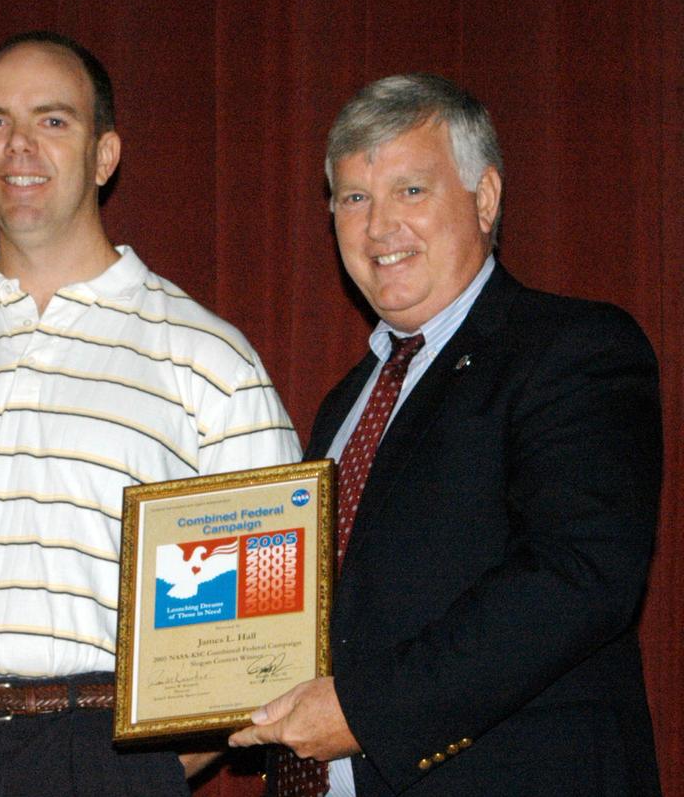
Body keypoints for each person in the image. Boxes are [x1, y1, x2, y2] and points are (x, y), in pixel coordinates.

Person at [0, 31, 301, 795]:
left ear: (105, 155)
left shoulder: (211, 358)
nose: (18, 147)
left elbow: (268, 630)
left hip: (103, 753)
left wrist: (142, 773)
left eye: (53, 120)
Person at [229, 73, 662, 796]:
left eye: (411, 191)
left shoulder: (573, 350)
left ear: (485, 198)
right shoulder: (346, 402)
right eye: (354, 198)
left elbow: (578, 576)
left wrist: (368, 711)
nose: (378, 228)